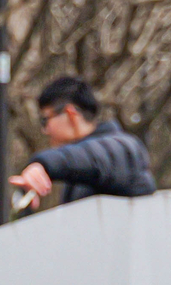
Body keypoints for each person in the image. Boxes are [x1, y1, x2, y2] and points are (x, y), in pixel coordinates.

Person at [11, 77, 153, 208]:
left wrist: (44, 164)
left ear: (70, 113)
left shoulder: (122, 148)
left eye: (45, 120)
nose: (45, 130)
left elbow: (94, 156)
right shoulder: (79, 171)